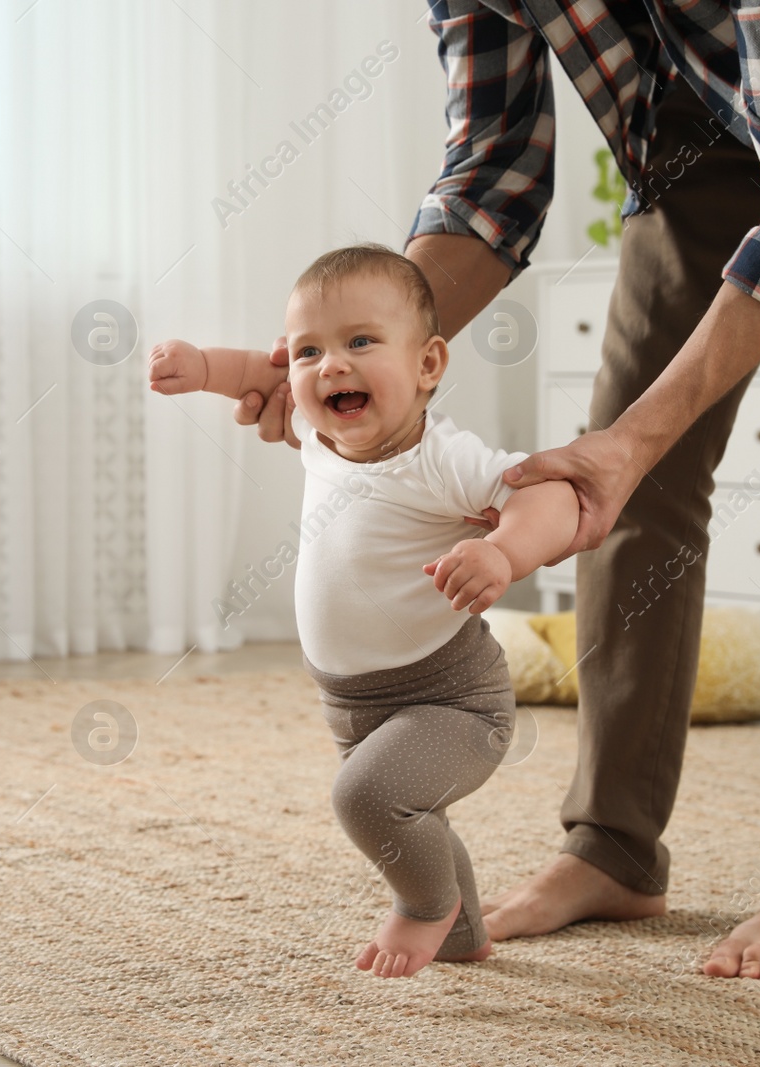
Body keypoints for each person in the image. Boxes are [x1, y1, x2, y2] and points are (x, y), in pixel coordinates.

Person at [230, 0, 760, 980]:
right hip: (707, 95)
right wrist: (348, 351)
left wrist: (632, 440)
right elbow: (493, 171)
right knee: (609, 475)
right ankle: (613, 844)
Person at [149, 244, 578, 977]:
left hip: (455, 700)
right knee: (413, 814)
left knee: (369, 796)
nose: (330, 366)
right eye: (310, 350)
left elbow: (552, 495)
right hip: (351, 700)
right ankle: (462, 930)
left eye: (360, 342)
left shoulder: (445, 459)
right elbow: (258, 371)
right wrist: (201, 367)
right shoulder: (318, 432)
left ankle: (422, 908)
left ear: (428, 365)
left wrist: (505, 550)